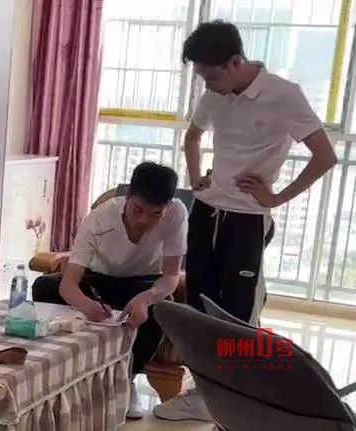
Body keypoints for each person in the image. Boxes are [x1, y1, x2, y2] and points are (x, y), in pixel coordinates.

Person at [153, 20, 337, 422]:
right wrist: (196, 176)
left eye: (212, 77)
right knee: (200, 309)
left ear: (235, 61)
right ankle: (201, 393)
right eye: (202, 77)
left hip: (247, 220)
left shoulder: (284, 95)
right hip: (207, 212)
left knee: (237, 317)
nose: (208, 86)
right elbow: (192, 136)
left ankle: (237, 399)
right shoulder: (215, 93)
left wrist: (276, 198)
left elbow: (326, 156)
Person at [32, 162, 188, 420]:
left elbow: (171, 275)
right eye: (138, 210)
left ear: (167, 207)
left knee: (163, 306)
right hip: (98, 282)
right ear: (128, 198)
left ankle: (128, 377)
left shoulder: (176, 213)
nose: (143, 221)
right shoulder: (99, 218)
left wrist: (145, 299)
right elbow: (68, 285)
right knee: (44, 286)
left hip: (143, 283)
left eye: (155, 214)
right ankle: (64, 372)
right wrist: (87, 306)